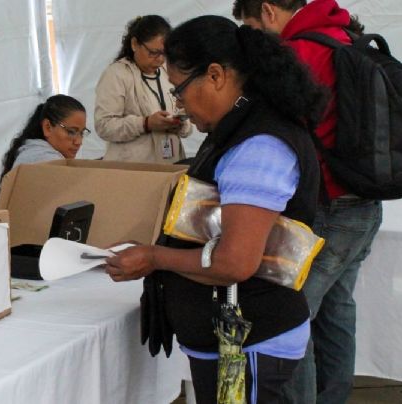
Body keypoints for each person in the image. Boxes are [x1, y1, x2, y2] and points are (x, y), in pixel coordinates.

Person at [104, 15, 328, 403]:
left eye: (179, 90)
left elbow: (235, 262)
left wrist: (156, 257)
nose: (179, 105)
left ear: (215, 75)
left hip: (251, 340)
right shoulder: (237, 127)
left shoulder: (258, 146)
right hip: (235, 336)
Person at [233, 1, 383, 402]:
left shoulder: (300, 52)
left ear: (266, 10)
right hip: (365, 201)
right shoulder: (346, 36)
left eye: (251, 27)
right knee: (336, 311)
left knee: (291, 320)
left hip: (328, 205)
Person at [94, 15, 192, 163]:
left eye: (165, 53)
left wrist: (181, 124)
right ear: (134, 44)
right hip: (134, 172)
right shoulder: (116, 74)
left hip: (172, 163)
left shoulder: (169, 71)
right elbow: (104, 126)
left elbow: (186, 113)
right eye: (153, 53)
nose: (160, 59)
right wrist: (145, 124)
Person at [0, 94, 88, 181]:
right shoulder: (46, 160)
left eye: (82, 133)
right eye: (71, 132)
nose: (79, 142)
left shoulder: (32, 152)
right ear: (47, 127)